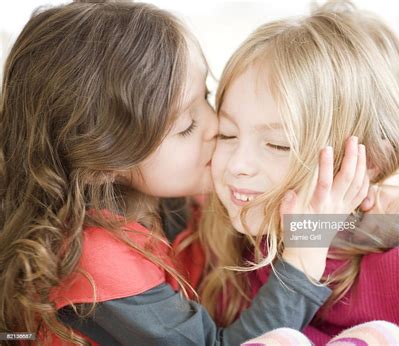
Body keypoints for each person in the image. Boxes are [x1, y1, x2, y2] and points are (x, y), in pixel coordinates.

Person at [0, 1, 368, 344]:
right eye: (187, 125)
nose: (216, 125)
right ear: (102, 165)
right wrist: (304, 257)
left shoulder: (166, 187)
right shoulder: (93, 264)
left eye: (205, 97)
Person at [198, 1, 399, 345]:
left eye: (279, 145)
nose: (237, 165)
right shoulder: (241, 243)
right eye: (227, 134)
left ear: (367, 162)